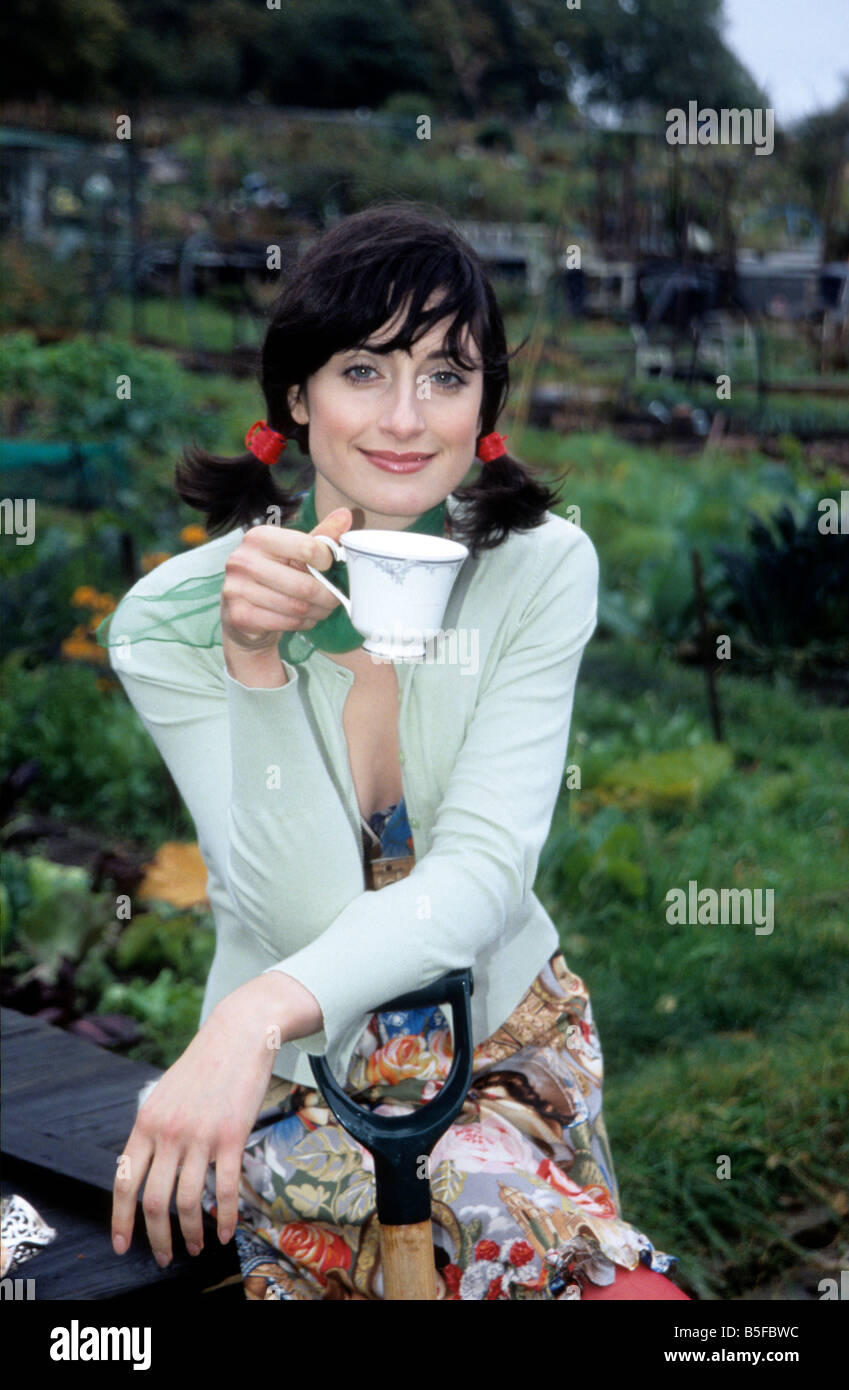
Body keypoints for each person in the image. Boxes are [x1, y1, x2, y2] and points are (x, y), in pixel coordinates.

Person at [98, 201, 690, 1302]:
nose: (407, 418)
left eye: (447, 375)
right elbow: (301, 912)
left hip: (504, 1034)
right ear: (296, 395)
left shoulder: (540, 567)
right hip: (308, 1076)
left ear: (486, 406)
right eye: (365, 371)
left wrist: (245, 1010)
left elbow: (478, 879)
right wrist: (257, 668)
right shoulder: (169, 625)